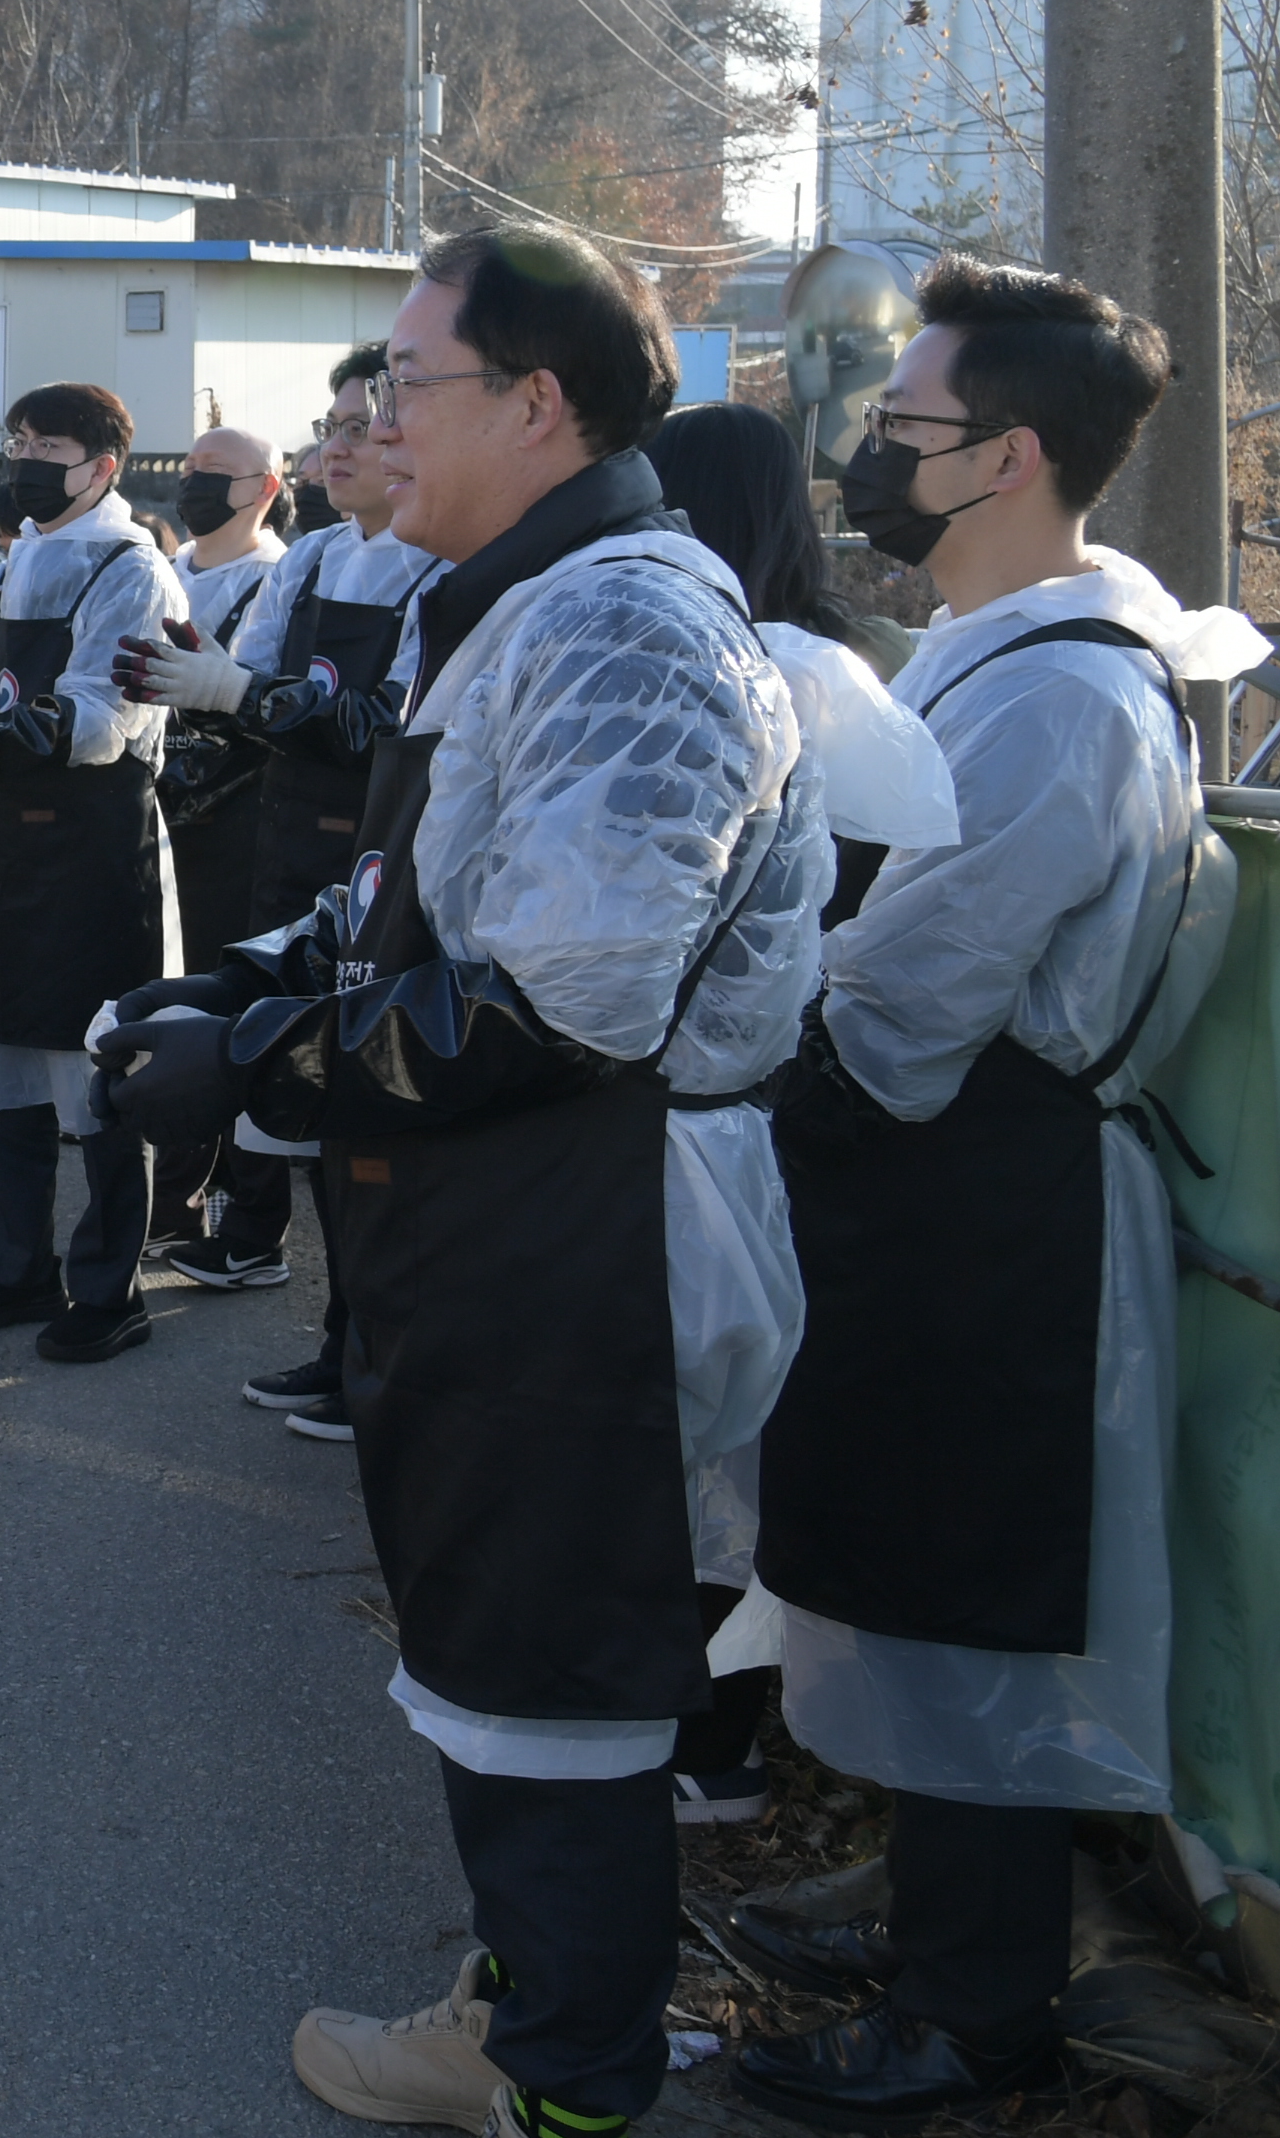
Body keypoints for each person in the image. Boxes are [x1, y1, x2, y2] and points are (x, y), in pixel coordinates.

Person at [88, 226, 820, 2138]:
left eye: (402, 387)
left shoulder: (631, 623)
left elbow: (564, 999)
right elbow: (424, 895)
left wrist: (259, 1063)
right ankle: (535, 2001)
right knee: (500, 1619)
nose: (365, 426)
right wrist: (244, 981)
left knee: (553, 1653)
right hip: (512, 1206)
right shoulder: (512, 601)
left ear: (538, 401)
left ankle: (559, 2071)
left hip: (596, 1216)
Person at [733, 264, 1264, 2130]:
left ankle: (975, 2010)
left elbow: (907, 993)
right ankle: (931, 1928)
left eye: (904, 430)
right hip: (933, 1175)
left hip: (985, 1188)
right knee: (904, 1574)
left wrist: (757, 1028)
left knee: (972, 1589)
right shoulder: (985, 652)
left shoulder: (1063, 700)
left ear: (1013, 456)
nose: (867, 456)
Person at [625, 399, 966, 1837]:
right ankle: (705, 1723)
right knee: (724, 1424)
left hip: (723, 1099)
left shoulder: (765, 668)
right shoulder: (832, 664)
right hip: (770, 1096)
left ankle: (699, 1736)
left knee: (701, 1433)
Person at [117, 350, 446, 1351]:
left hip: (382, 854)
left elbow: (380, 727)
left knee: (362, 1092)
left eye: (362, 424)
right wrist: (216, 686)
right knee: (262, 1042)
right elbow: (255, 686)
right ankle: (252, 1241)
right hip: (282, 834)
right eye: (331, 426)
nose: (339, 447)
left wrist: (236, 694)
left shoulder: (440, 569)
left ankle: (368, 1340)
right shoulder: (312, 559)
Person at [0, 382, 188, 1365]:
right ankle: (18, 1265)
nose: (24, 457)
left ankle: (111, 1289)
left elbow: (97, 724)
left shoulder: (131, 569)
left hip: (91, 854)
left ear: (104, 466)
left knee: (101, 1081)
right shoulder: (11, 565)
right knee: (3, 1071)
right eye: (18, 439)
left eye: (49, 444)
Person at [141, 422, 288, 1256]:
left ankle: (239, 1202)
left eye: (217, 473)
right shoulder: (165, 572)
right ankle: (176, 1192)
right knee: (172, 996)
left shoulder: (280, 576)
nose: (194, 485)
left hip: (237, 819)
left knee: (230, 1000)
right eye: (191, 468)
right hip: (161, 811)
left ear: (265, 487)